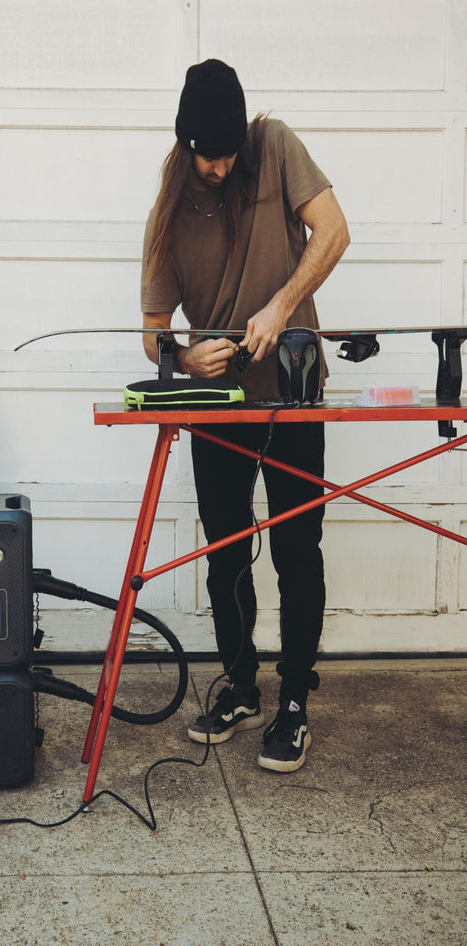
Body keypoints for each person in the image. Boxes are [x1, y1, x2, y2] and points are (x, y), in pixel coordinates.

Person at [140, 59, 349, 772]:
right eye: (209, 155)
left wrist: (281, 306)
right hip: (219, 405)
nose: (222, 166)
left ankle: (294, 700)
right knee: (227, 548)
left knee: (296, 549)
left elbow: (334, 231)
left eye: (230, 153)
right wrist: (181, 356)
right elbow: (152, 329)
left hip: (292, 390)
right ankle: (240, 684)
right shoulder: (171, 201)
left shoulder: (277, 146)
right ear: (186, 142)